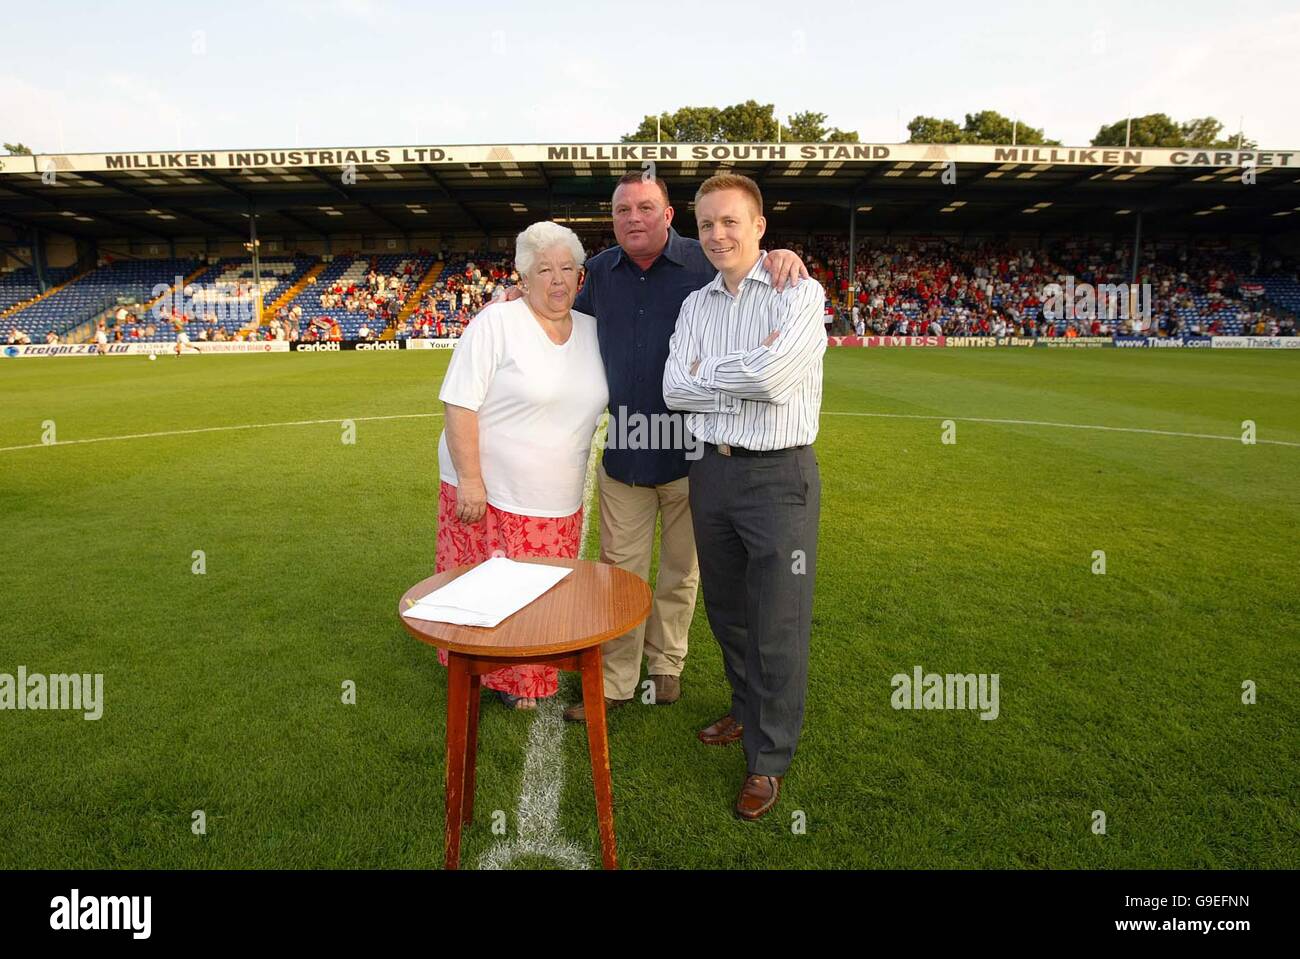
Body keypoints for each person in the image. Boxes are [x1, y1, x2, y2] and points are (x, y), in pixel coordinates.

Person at [552, 171, 808, 723]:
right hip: (625, 451)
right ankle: (618, 681)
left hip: (695, 456)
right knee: (620, 572)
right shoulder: (596, 274)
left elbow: (752, 262)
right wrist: (516, 292)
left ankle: (665, 667)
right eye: (623, 211)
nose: (634, 218)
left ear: (668, 215)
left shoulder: (704, 261)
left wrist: (782, 253)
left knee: (681, 570)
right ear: (613, 218)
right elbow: (553, 309)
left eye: (646, 207)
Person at [663, 173, 826, 821]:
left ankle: (768, 758)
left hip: (778, 477)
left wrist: (714, 372)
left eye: (730, 221)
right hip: (713, 472)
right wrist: (741, 371)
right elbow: (675, 388)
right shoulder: (696, 304)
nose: (717, 234)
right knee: (727, 609)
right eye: (705, 224)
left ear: (760, 225)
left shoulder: (798, 290)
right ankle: (743, 708)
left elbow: (777, 377)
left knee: (777, 620)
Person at [435, 221, 608, 710]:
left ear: (581, 277)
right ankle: (486, 674)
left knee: (539, 592)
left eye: (567, 269)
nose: (557, 280)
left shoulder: (594, 331)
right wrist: (471, 481)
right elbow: (459, 404)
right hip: (488, 490)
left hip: (557, 497)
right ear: (523, 278)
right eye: (543, 270)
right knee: (484, 591)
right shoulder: (497, 323)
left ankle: (526, 679)